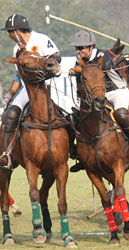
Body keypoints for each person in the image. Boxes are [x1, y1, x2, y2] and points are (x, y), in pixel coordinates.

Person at [68, 30, 129, 172]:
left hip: (116, 91)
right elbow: (80, 84)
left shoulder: (102, 55)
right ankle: (80, 155)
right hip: (96, 95)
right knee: (75, 117)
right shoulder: (79, 60)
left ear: (91, 47)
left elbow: (102, 67)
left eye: (81, 48)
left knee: (121, 115)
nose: (78, 51)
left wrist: (81, 69)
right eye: (77, 48)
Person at [0, 14, 61, 170]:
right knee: (11, 113)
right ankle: (7, 153)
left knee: (68, 112)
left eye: (10, 31)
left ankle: (74, 149)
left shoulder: (40, 39)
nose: (9, 35)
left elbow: (56, 57)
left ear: (17, 31)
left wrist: (46, 69)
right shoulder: (16, 49)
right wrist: (8, 96)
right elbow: (19, 76)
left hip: (50, 84)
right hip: (29, 88)